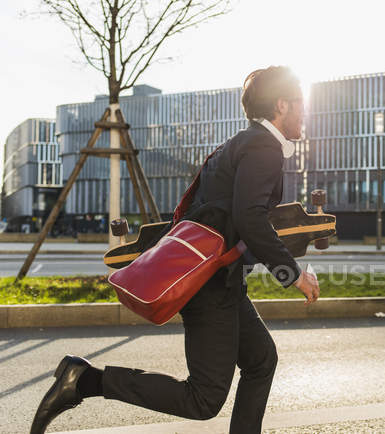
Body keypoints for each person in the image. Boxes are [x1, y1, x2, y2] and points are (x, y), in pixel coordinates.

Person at [30, 66, 321, 434]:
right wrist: (292, 274)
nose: (304, 114)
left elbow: (225, 216)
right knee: (203, 400)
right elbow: (250, 218)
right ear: (282, 105)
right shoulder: (263, 149)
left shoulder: (238, 143)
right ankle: (86, 380)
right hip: (211, 286)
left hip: (221, 280)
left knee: (261, 360)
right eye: (301, 105)